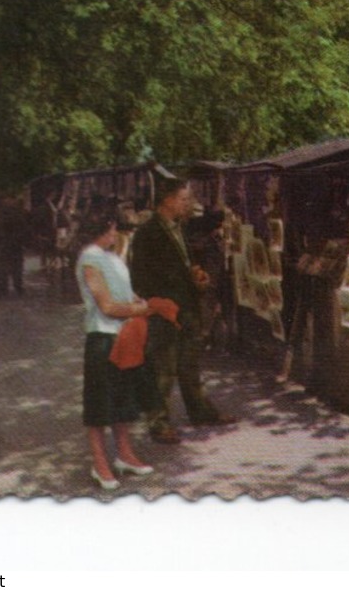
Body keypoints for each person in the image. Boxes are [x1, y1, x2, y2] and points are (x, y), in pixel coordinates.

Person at [129, 177, 234, 443]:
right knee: (163, 368)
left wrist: (195, 274)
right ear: (168, 200)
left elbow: (185, 262)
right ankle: (159, 423)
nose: (189, 204)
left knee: (190, 363)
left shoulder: (179, 227)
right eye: (184, 199)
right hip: (166, 309)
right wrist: (167, 295)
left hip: (187, 306)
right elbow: (139, 278)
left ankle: (200, 411)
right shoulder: (147, 233)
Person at [75, 203, 156, 491]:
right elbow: (107, 306)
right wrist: (138, 310)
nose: (115, 232)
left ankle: (125, 455)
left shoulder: (113, 258)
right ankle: (100, 463)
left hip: (124, 336)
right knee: (99, 404)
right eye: (111, 227)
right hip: (102, 338)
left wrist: (141, 302)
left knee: (124, 400)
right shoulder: (89, 259)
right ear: (102, 229)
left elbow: (126, 292)